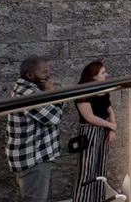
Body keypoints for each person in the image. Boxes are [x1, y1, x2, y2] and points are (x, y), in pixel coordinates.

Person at [6, 56, 63, 202]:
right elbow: (55, 117)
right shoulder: (29, 94)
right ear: (30, 75)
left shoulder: (26, 88)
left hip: (28, 157)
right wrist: (52, 93)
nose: (48, 75)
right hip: (33, 159)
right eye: (44, 72)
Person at [72, 61, 117, 202]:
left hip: (103, 131)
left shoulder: (103, 91)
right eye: (102, 73)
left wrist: (112, 128)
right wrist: (111, 125)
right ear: (93, 76)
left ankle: (99, 199)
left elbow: (110, 111)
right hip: (88, 131)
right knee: (87, 168)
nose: (106, 75)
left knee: (101, 167)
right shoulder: (82, 92)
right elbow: (89, 117)